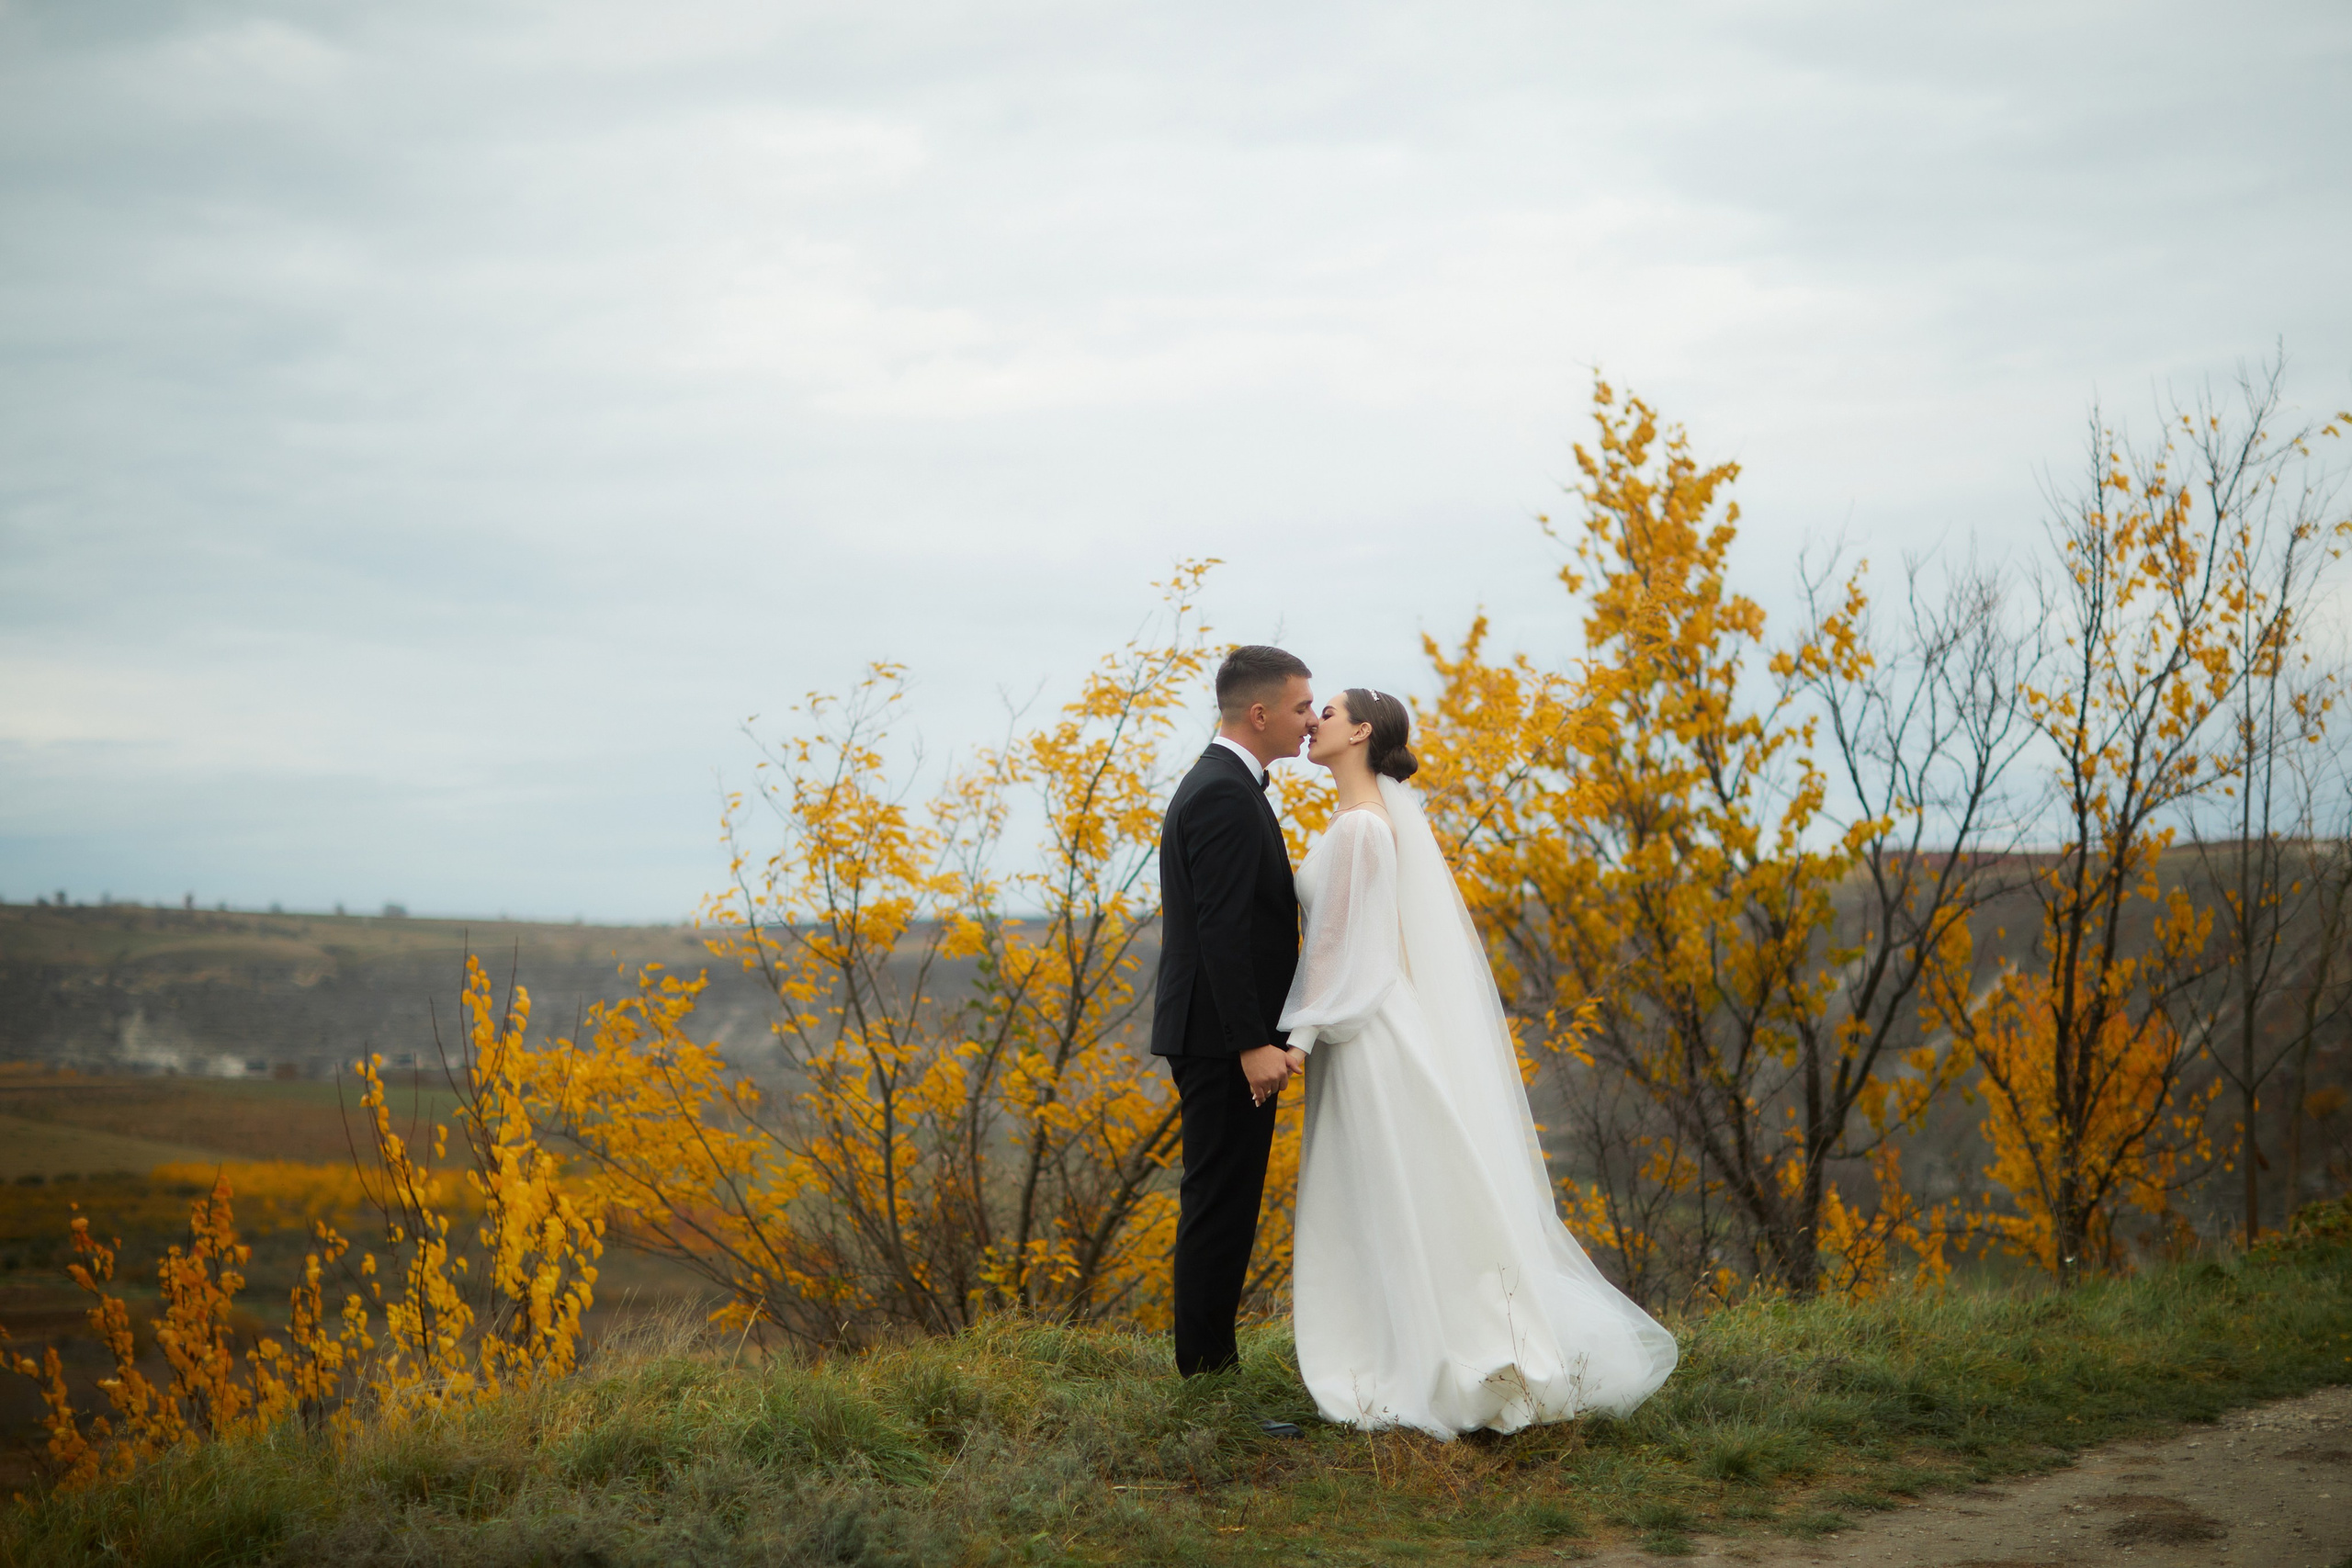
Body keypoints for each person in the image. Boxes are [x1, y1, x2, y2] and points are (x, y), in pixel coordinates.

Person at [1278, 687, 1679, 1435]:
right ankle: (1402, 1342)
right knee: (1393, 1193)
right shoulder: (1363, 820)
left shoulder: (1361, 827)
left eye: (1327, 712)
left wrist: (1298, 1037)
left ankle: (1422, 1354)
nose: (1313, 722)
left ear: (1361, 732)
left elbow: (1336, 946)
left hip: (1363, 1033)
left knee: (1387, 1192)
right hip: (1362, 1023)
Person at [1151, 644, 1317, 1379]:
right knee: (1220, 1204)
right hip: (1221, 1040)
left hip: (1217, 1034)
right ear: (1259, 713)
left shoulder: (1227, 783)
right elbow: (1221, 930)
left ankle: (1210, 1368)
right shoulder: (1222, 792)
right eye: (1301, 706)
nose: (1309, 719)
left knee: (1224, 1200)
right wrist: (1251, 1041)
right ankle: (1207, 1376)